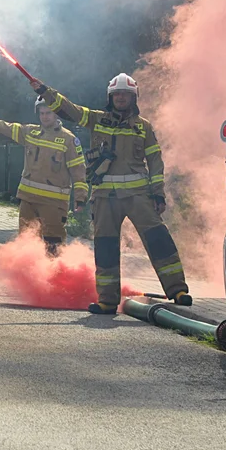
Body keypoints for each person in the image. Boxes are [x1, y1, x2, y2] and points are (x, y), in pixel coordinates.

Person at [32, 73, 192, 313]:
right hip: (105, 197)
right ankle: (107, 300)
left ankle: (177, 290)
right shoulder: (97, 119)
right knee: (106, 246)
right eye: (116, 94)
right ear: (110, 97)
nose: (120, 98)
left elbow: (155, 162)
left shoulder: (143, 127)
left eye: (125, 94)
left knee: (159, 239)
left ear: (133, 98)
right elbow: (70, 111)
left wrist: (158, 194)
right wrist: (45, 91)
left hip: (139, 196)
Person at [0, 96, 88, 255]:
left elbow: (78, 170)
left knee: (53, 244)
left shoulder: (69, 140)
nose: (45, 117)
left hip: (54, 203)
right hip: (28, 200)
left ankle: (55, 277)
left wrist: (80, 197)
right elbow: (4, 127)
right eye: (42, 113)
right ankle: (29, 276)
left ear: (56, 114)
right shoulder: (30, 132)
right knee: (26, 242)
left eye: (48, 113)